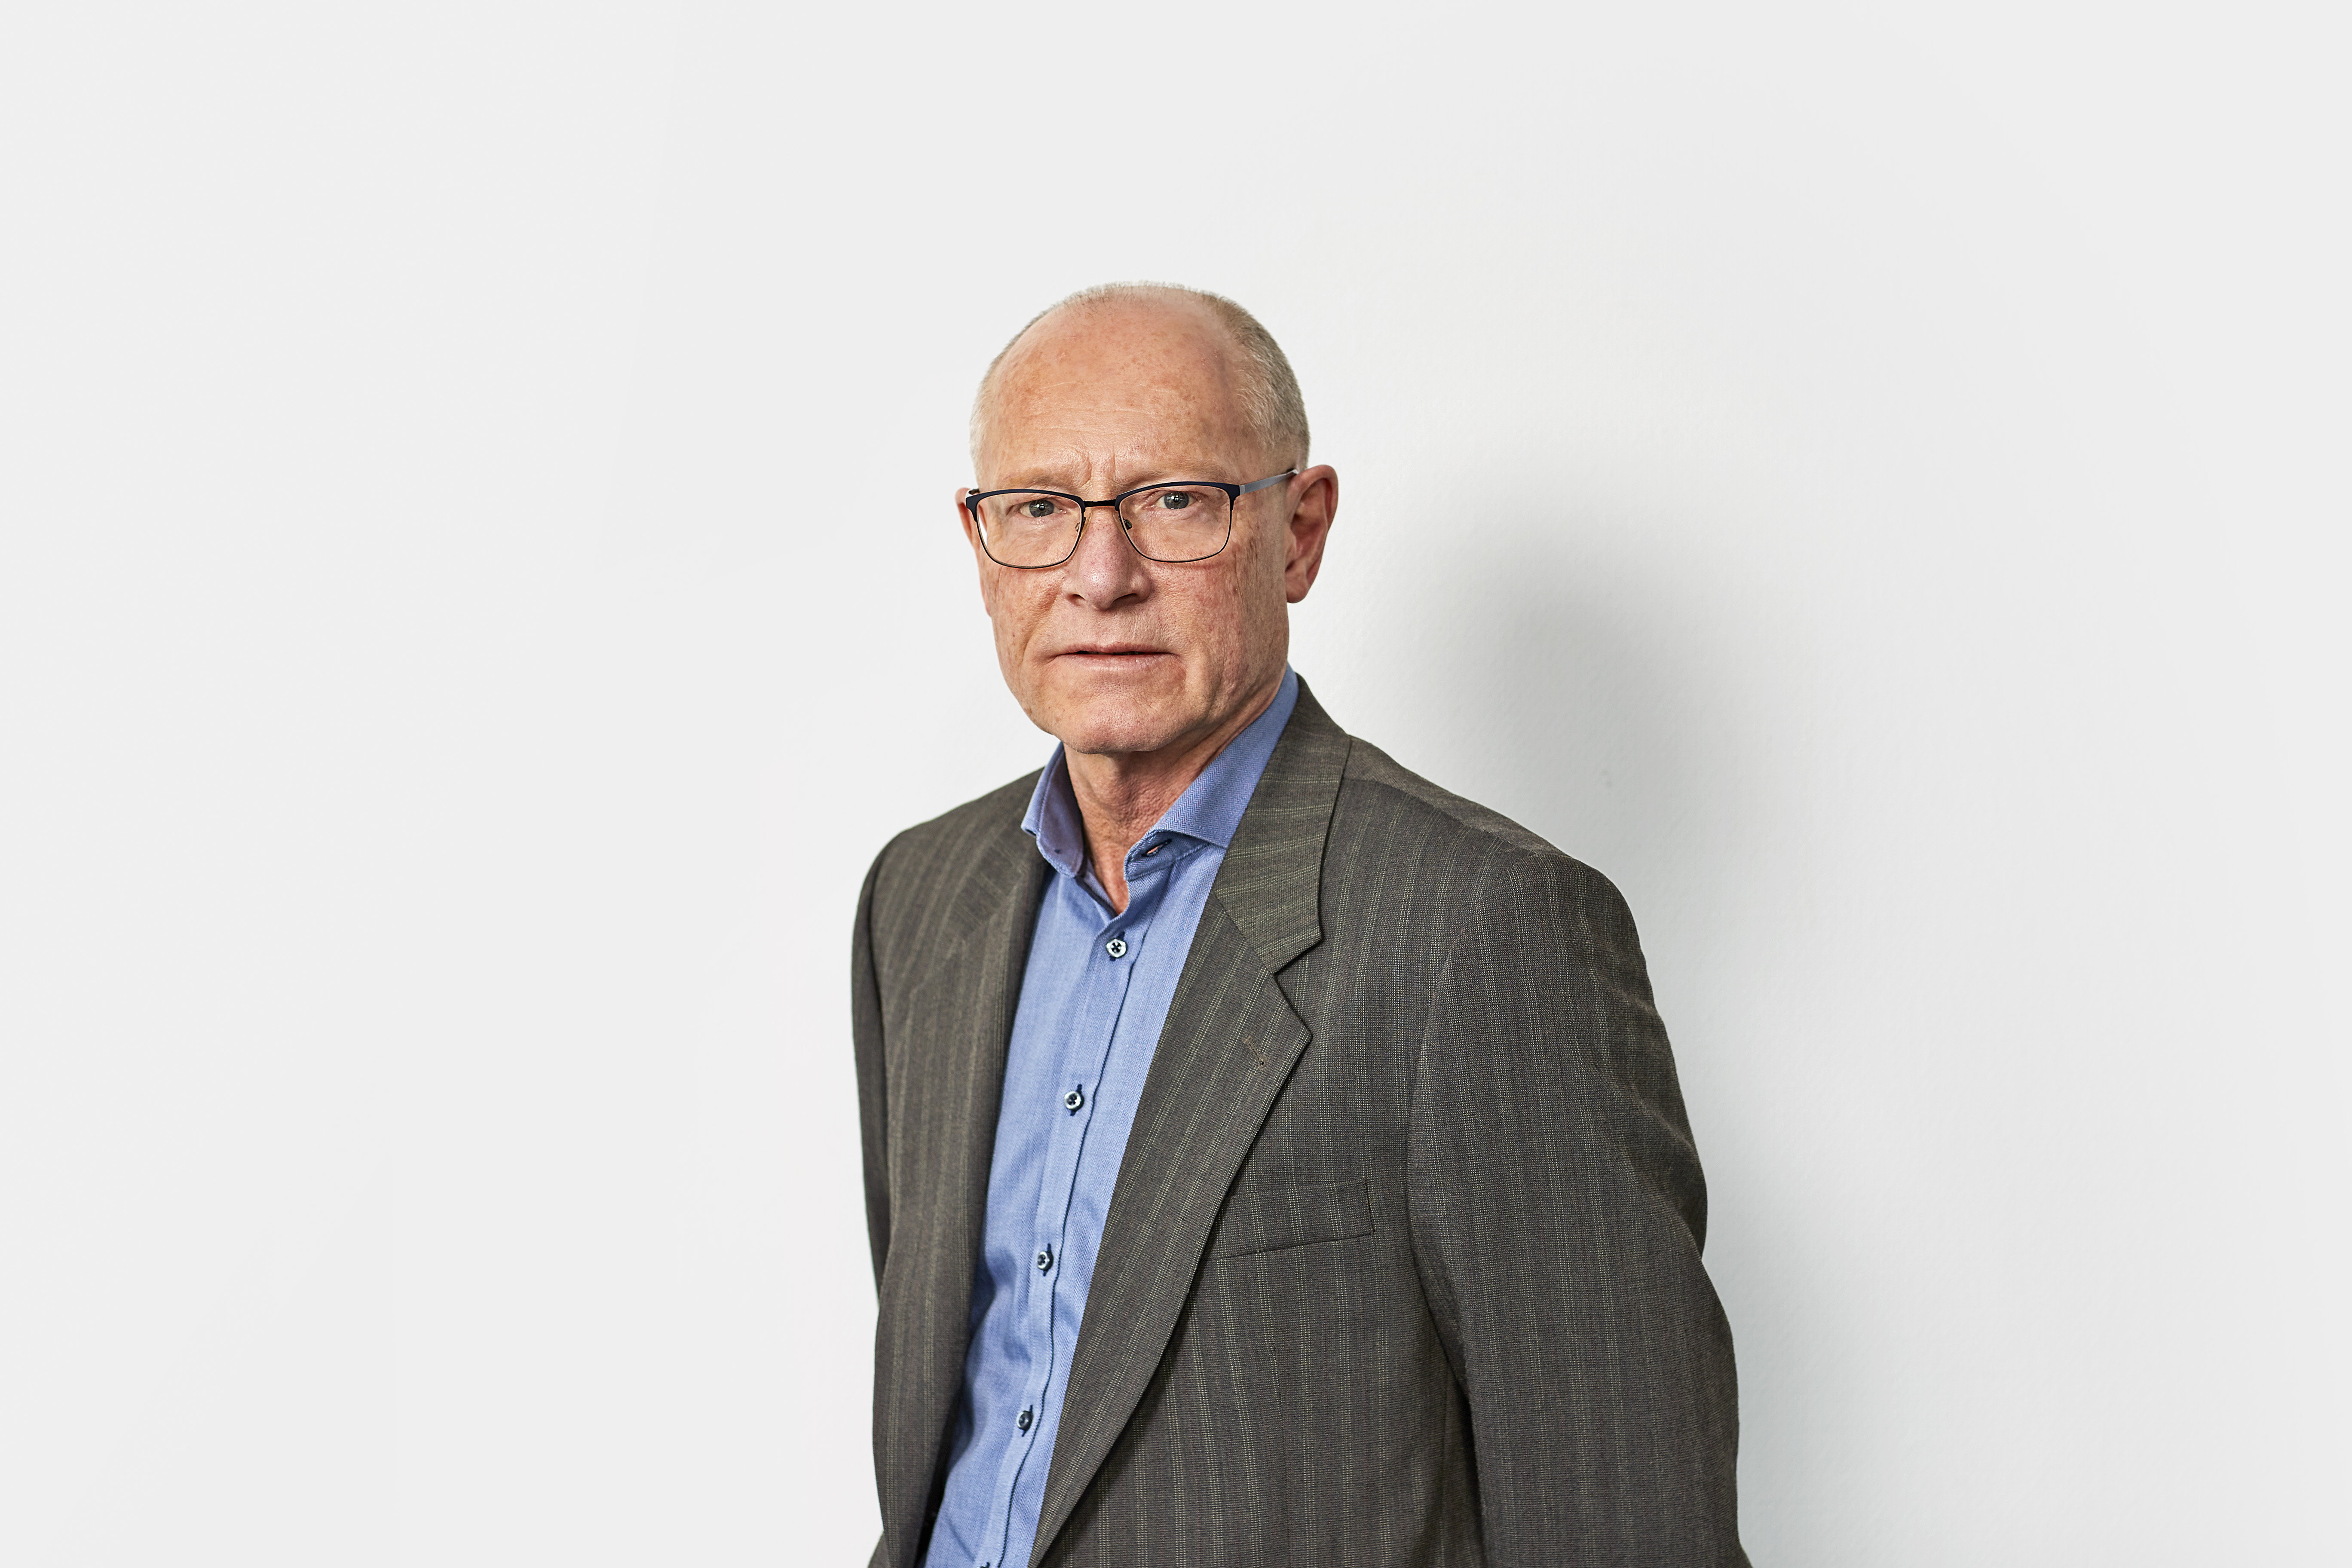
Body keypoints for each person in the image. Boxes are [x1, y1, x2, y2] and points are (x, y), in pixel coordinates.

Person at [851, 282, 1746, 1567]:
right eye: (1040, 509)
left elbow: (1626, 1530)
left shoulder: (1485, 934)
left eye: (1175, 502)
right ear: (981, 543)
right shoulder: (923, 898)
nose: (1101, 577)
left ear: (1300, 533)